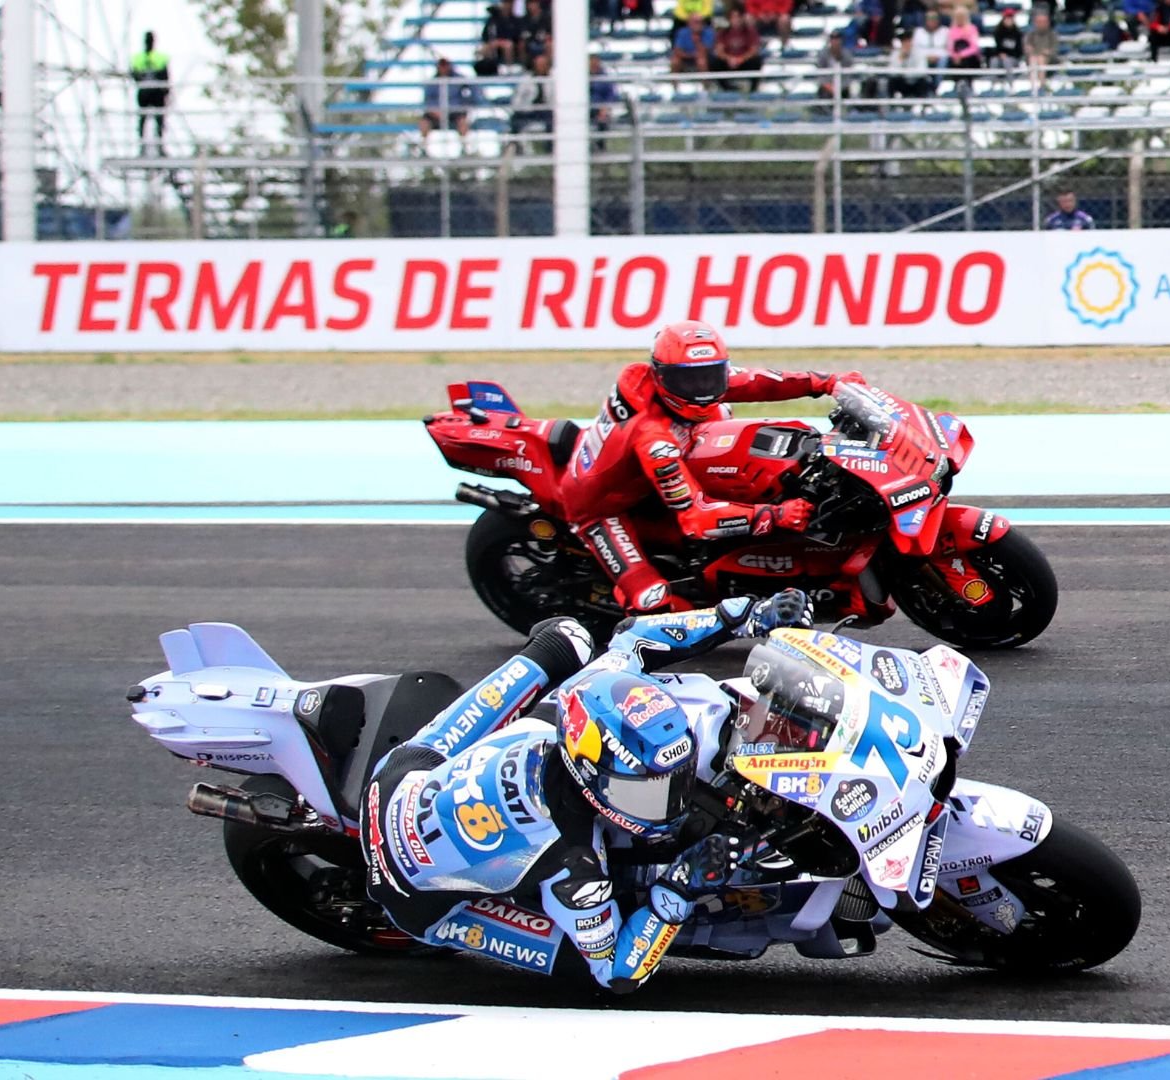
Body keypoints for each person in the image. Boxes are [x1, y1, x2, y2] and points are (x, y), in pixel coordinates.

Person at [360, 593, 813, 993]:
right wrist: (682, 885)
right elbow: (619, 971)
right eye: (648, 793)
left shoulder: (591, 689)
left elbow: (636, 636)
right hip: (410, 886)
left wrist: (746, 615)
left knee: (567, 639)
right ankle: (451, 921)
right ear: (588, 776)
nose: (670, 807)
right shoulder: (576, 867)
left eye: (675, 782)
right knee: (588, 972)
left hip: (407, 772)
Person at [555, 321, 863, 614]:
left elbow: (757, 382)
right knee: (652, 600)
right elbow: (696, 520)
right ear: (661, 376)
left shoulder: (687, 383)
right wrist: (773, 515)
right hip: (602, 507)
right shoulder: (653, 438)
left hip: (653, 472)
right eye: (689, 380)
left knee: (737, 435)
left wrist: (828, 382)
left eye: (710, 376)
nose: (701, 389)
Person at [130, 31, 171, 155]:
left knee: (158, 119)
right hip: (145, 92)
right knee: (144, 119)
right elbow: (133, 74)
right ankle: (143, 147)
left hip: (155, 92)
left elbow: (165, 75)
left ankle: (159, 146)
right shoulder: (138, 58)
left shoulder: (160, 57)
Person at [420, 57, 479, 141]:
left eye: (445, 65)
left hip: (454, 110)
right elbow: (427, 100)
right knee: (424, 122)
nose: (443, 68)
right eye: (441, 66)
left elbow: (473, 88)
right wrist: (434, 111)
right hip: (436, 112)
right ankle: (424, 146)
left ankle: (464, 146)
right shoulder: (432, 82)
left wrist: (465, 103)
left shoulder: (459, 79)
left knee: (463, 122)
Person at [509, 53, 555, 146]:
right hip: (529, 110)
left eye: (543, 65)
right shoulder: (526, 80)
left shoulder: (554, 80)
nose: (541, 67)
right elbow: (517, 98)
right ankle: (514, 147)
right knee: (515, 120)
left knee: (554, 122)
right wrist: (520, 108)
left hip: (547, 110)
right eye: (539, 65)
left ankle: (550, 149)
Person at [714, 10, 766, 90]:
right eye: (733, 17)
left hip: (745, 61)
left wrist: (741, 59)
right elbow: (719, 50)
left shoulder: (750, 32)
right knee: (715, 61)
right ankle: (726, 88)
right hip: (728, 62)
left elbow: (754, 50)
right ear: (729, 20)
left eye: (738, 17)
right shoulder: (723, 33)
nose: (736, 20)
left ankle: (753, 89)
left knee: (757, 60)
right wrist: (729, 59)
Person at [1024, 10, 1060, 91]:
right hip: (1034, 59)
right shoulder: (1031, 35)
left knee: (1040, 58)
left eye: (1043, 21)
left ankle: (1042, 86)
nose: (1041, 24)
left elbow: (1053, 50)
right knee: (1033, 59)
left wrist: (1045, 52)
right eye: (1039, 22)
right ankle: (1033, 87)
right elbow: (1028, 49)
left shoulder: (1052, 35)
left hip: (1050, 61)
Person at [947, 6, 985, 71]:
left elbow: (974, 47)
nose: (959, 19)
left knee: (967, 60)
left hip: (970, 57)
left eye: (961, 16)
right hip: (955, 56)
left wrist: (961, 55)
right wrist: (955, 56)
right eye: (957, 16)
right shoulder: (951, 30)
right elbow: (950, 47)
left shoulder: (972, 29)